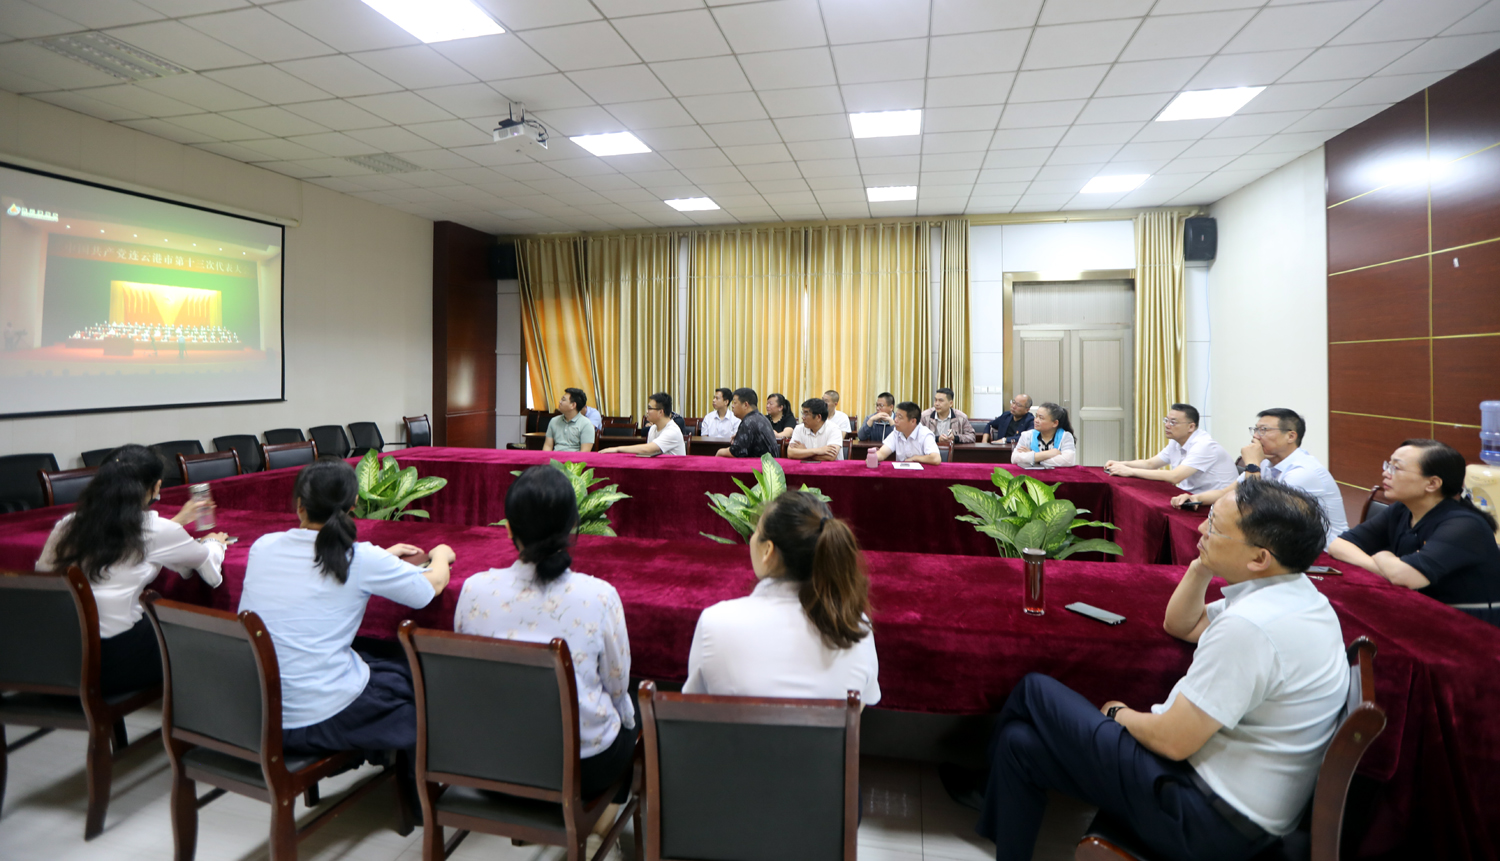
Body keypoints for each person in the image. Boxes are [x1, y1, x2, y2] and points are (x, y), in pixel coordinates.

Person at [978, 481, 1346, 861]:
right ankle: (998, 814)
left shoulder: (1251, 626)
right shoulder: (1295, 595)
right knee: (1019, 743)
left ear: (1259, 558)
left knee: (1034, 690)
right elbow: (1181, 625)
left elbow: (1174, 741)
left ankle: (986, 791)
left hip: (1204, 817)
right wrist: (1202, 563)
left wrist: (1119, 714)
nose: (1200, 528)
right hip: (1224, 800)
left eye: (1214, 527)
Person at [239, 459, 453, 768]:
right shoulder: (360, 558)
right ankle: (412, 786)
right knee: (417, 687)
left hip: (259, 713)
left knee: (382, 668)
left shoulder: (263, 546)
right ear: (354, 505)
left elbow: (320, 568)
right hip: (318, 718)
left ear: (299, 505)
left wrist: (382, 559)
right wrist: (441, 554)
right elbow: (430, 587)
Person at [457, 465, 636, 804]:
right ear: (573, 525)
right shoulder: (599, 596)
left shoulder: (473, 590)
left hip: (491, 762)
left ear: (508, 529)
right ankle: (598, 813)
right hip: (580, 769)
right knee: (633, 710)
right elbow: (617, 685)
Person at [36, 445, 225, 696]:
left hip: (53, 659)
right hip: (109, 664)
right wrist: (215, 542)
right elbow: (207, 566)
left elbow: (44, 574)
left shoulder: (68, 524)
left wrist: (177, 522)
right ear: (156, 487)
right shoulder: (156, 529)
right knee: (194, 636)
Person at [684, 490, 879, 705]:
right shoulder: (855, 626)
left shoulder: (715, 623)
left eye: (756, 532)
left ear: (768, 550)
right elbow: (861, 705)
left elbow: (694, 709)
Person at [1329, 439, 1500, 626]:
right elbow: (1338, 545)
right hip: (1423, 611)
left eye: (1396, 468)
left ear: (1432, 483)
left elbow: (1405, 577)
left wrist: (1384, 555)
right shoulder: (1402, 509)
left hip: (1471, 625)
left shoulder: (1464, 525)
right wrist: (1384, 566)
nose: (1385, 473)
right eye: (1388, 465)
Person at [1173, 409, 1348, 546]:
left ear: (1291, 436)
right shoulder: (1266, 462)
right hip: (1283, 538)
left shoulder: (1303, 472)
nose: (1255, 436)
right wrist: (1196, 498)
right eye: (1256, 429)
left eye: (1264, 430)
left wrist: (1252, 465)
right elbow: (1230, 492)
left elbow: (1258, 509)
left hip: (1321, 550)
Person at [1105, 404, 1236, 494]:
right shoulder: (1176, 442)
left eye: (1173, 422)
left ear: (1191, 427)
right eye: (1166, 420)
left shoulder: (1204, 445)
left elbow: (1175, 477)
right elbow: (1150, 464)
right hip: (1190, 497)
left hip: (1215, 503)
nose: (1167, 425)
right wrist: (1122, 464)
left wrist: (1130, 471)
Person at [598, 392, 685, 457]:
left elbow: (647, 449)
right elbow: (649, 454)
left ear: (660, 412)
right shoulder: (653, 429)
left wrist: (617, 449)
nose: (647, 411)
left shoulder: (672, 431)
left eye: (650, 408)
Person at [716, 387, 778, 459]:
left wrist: (720, 452)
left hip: (759, 465)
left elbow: (737, 452)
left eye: (735, 402)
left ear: (745, 405)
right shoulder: (761, 418)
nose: (732, 406)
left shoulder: (749, 421)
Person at [1010, 402, 1077, 468]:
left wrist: (1034, 458)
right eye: (1036, 416)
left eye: (1041, 418)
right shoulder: (1027, 435)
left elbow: (1068, 461)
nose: (1036, 420)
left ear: (1055, 423)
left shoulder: (1065, 436)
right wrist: (1048, 454)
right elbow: (1015, 458)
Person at [876, 401, 941, 465]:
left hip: (921, 471)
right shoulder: (896, 432)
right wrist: (874, 457)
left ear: (913, 421)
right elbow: (882, 453)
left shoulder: (925, 434)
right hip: (901, 471)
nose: (895, 420)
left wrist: (915, 458)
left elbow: (936, 459)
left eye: (900, 417)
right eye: (896, 416)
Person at [788, 397, 842, 461]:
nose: (803, 417)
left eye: (806, 414)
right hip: (805, 466)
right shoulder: (799, 428)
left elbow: (830, 457)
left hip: (829, 467)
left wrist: (804, 451)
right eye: (803, 413)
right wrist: (819, 450)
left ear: (818, 417)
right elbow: (790, 453)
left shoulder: (834, 429)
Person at [544, 387, 596, 453]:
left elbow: (585, 452)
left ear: (573, 405)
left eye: (563, 400)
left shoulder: (586, 424)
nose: (560, 402)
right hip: (555, 458)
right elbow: (548, 446)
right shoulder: (554, 421)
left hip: (575, 459)